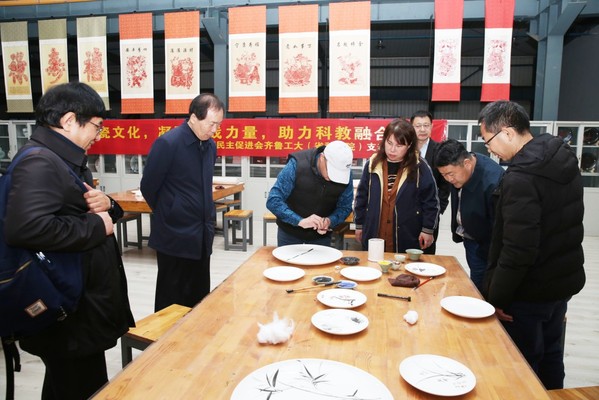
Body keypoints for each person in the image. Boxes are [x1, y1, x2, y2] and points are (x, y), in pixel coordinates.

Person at [4, 82, 134, 399]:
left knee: (69, 383)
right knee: (79, 385)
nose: (98, 135)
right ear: (69, 120)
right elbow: (26, 228)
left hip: (77, 302)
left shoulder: (62, 159)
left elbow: (81, 209)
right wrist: (96, 226)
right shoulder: (40, 162)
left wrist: (108, 205)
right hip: (68, 308)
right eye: (96, 126)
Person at [479, 100, 586, 389]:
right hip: (561, 281)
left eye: (488, 140)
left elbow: (517, 250)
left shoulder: (521, 177)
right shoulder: (560, 155)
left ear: (507, 132)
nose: (490, 149)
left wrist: (497, 299)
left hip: (530, 290)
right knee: (552, 353)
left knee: (523, 362)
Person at [141, 93, 224, 312]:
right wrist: (171, 210)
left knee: (199, 296)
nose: (215, 130)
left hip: (202, 234)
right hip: (174, 234)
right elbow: (148, 186)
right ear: (194, 117)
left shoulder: (210, 146)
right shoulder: (168, 143)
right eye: (212, 124)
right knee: (172, 298)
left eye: (219, 124)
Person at [354, 118, 440, 253]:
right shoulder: (373, 164)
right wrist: (359, 225)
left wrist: (427, 229)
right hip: (375, 229)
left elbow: (431, 201)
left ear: (409, 145)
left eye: (399, 146)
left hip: (407, 232)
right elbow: (361, 197)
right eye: (389, 143)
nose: (392, 150)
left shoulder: (420, 167)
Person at [435, 139, 504, 292]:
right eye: (443, 175)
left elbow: (499, 228)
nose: (448, 179)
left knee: (482, 288)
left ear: (466, 163)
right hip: (471, 238)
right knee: (476, 281)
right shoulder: (461, 171)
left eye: (450, 174)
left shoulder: (493, 181)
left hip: (487, 246)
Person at [266, 140, 354, 247]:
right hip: (289, 234)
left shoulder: (345, 173)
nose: (333, 178)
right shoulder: (297, 164)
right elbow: (273, 200)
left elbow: (345, 207)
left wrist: (329, 221)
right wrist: (300, 221)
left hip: (321, 237)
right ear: (322, 158)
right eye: (331, 171)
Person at [410, 110, 451, 254]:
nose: (422, 129)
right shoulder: (405, 149)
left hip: (429, 212)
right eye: (418, 126)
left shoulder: (439, 150)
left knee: (426, 251)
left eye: (426, 125)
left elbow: (445, 184)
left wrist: (439, 209)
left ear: (432, 127)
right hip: (406, 211)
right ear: (411, 127)